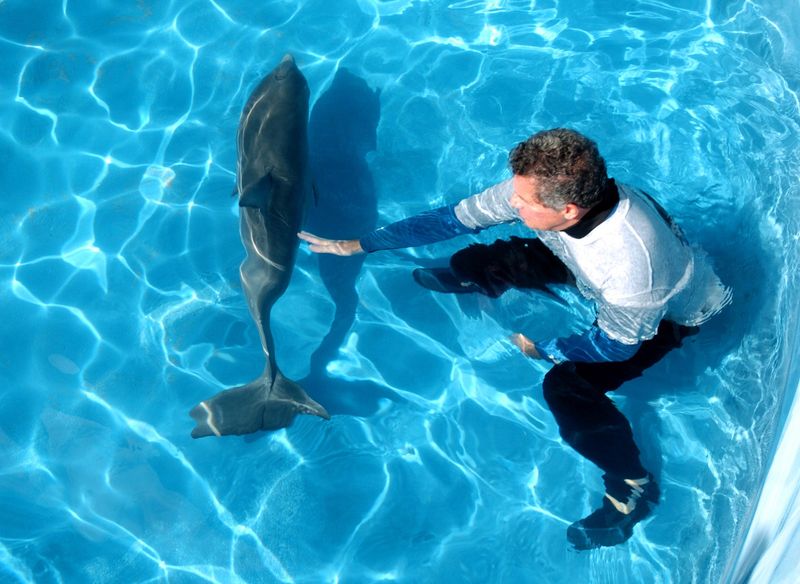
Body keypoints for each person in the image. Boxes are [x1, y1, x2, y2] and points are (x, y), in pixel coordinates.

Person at [298, 128, 731, 550]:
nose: (512, 202)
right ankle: (481, 278)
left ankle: (631, 483)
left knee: (565, 387)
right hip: (592, 273)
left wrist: (545, 348)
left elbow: (616, 346)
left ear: (569, 211)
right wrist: (361, 245)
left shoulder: (634, 269)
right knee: (476, 257)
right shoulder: (554, 193)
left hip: (670, 317)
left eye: (523, 202)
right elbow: (454, 218)